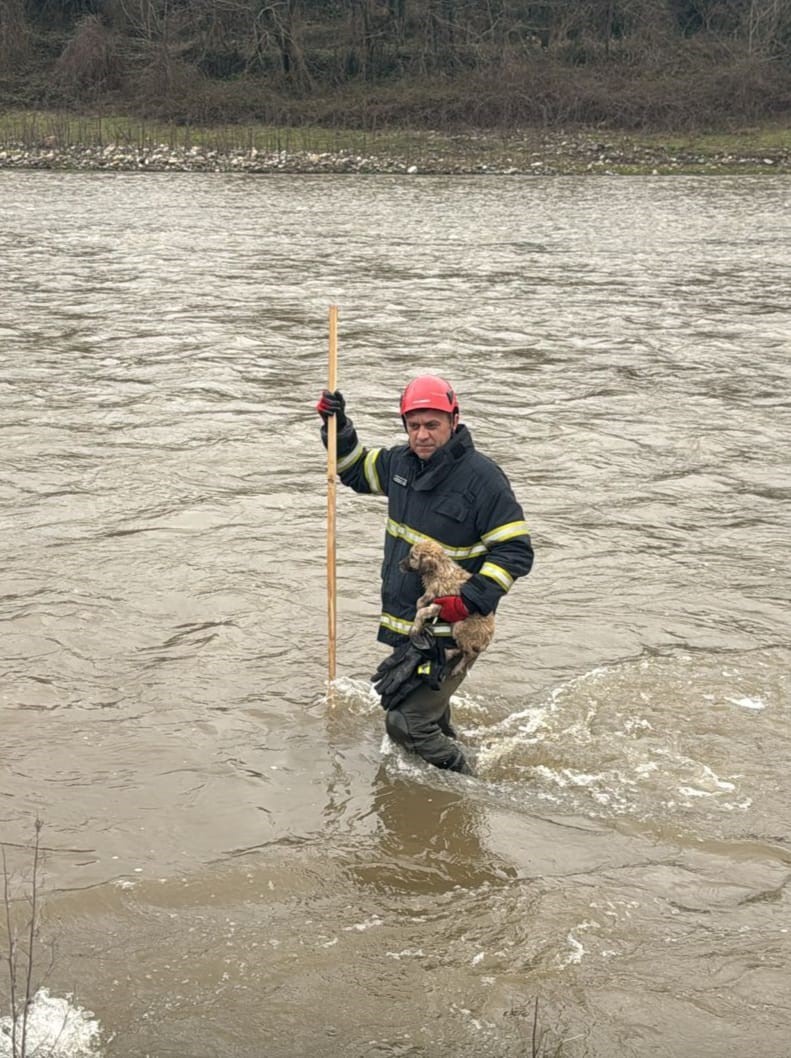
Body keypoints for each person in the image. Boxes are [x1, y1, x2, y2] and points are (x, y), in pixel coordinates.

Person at [316, 375, 533, 775]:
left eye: (432, 425)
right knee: (427, 715)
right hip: (412, 623)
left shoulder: (482, 480)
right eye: (414, 425)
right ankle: (445, 776)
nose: (422, 435)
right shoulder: (400, 466)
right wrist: (339, 428)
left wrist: (468, 601)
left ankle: (474, 782)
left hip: (455, 628)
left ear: (453, 421)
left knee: (406, 723)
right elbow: (352, 470)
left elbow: (516, 551)